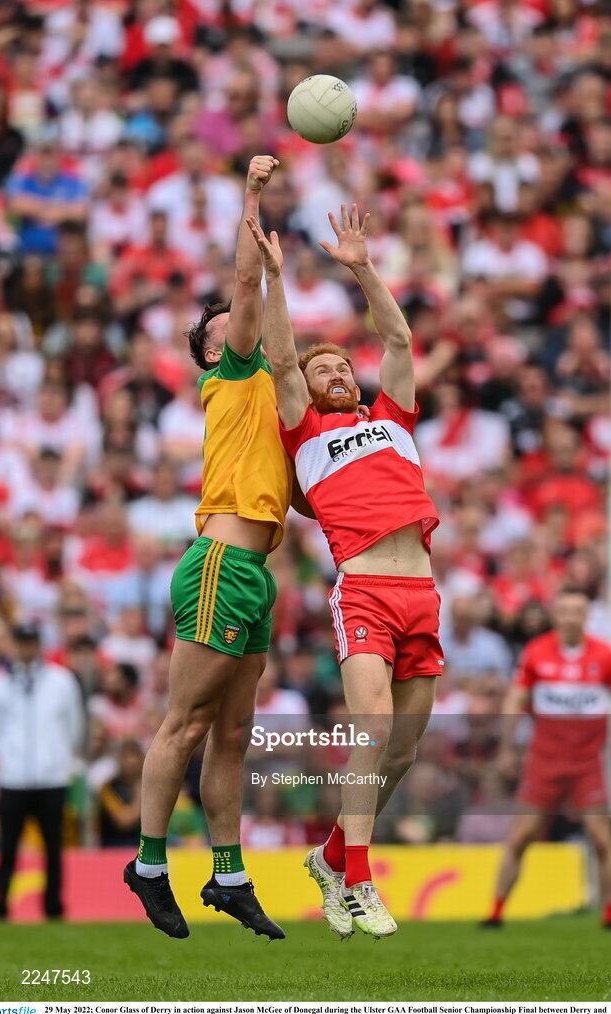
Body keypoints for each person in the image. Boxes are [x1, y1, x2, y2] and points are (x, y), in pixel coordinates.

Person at [247, 205, 443, 939]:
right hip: (363, 587)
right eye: (317, 366)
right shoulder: (304, 431)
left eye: (338, 365)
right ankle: (360, 879)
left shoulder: (391, 418)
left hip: (421, 591)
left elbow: (398, 336)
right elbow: (278, 355)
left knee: (405, 749)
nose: (330, 370)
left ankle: (332, 856)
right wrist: (274, 279)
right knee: (374, 725)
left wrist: (361, 267)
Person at [123, 155, 292, 942]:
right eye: (222, 320)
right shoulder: (229, 375)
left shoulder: (270, 392)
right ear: (209, 349)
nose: (235, 315)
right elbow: (248, 282)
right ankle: (150, 864)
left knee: (231, 734)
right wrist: (253, 196)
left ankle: (228, 875)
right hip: (221, 562)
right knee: (183, 725)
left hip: (253, 571)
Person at [482, 587, 611, 929]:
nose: (570, 617)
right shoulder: (537, 652)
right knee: (521, 836)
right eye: (565, 610)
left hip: (588, 761)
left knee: (602, 839)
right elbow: (515, 699)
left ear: (586, 616)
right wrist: (507, 747)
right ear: (556, 615)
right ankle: (495, 911)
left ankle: (608, 913)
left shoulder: (604, 655)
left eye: (577, 611)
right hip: (546, 760)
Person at [0, 622, 85, 920]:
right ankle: (1, 903)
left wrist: (62, 760)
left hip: (51, 776)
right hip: (13, 777)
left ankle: (53, 905)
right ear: (15, 644)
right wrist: (2, 761)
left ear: (38, 644)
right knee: (8, 847)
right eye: (21, 642)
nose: (26, 648)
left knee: (53, 847)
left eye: (30, 642)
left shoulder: (61, 680)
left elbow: (75, 726)